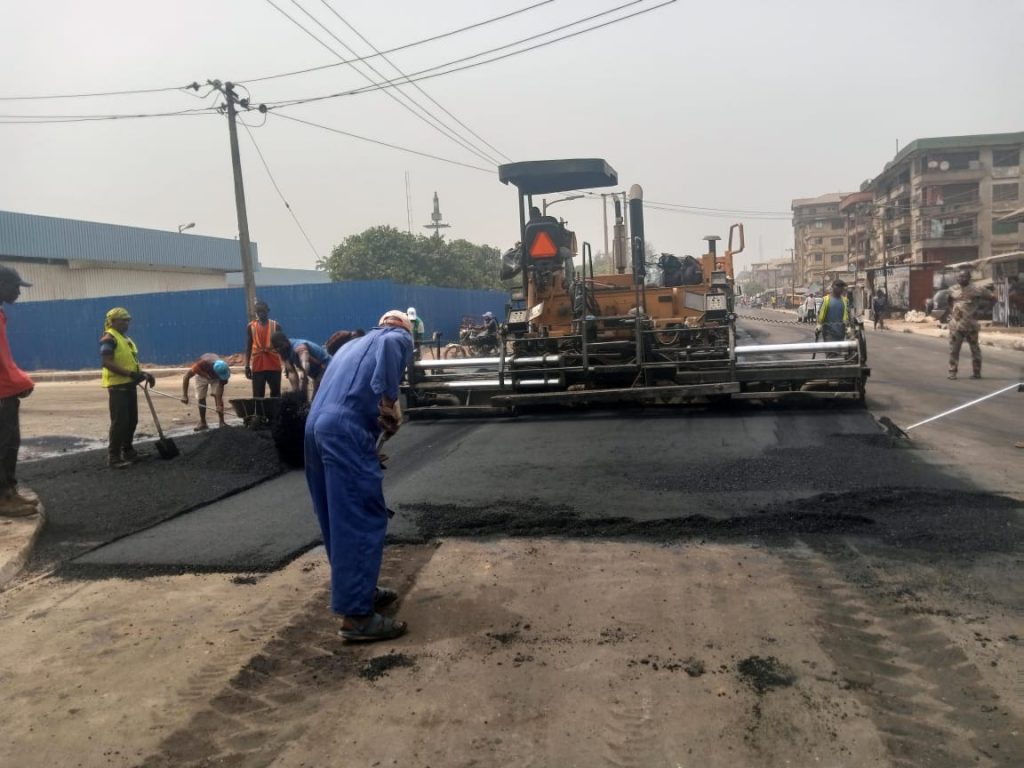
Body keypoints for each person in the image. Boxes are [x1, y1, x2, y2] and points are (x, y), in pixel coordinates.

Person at [304, 309, 414, 642]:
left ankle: (359, 589)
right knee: (361, 516)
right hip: (344, 428)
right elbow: (388, 366)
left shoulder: (353, 344)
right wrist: (389, 405)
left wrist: (370, 438)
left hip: (315, 427)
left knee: (336, 515)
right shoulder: (396, 338)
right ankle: (357, 617)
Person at [0, 266, 39, 517]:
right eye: (16, 286)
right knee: (2, 445)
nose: (19, 292)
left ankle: (9, 491)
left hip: (6, 392)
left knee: (11, 442)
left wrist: (19, 381)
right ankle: (2, 498)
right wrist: (18, 382)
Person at [100, 307, 154, 469]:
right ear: (113, 321)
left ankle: (129, 451)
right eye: (123, 320)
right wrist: (131, 374)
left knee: (131, 421)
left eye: (128, 320)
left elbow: (129, 362)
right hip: (118, 388)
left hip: (129, 386)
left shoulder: (124, 339)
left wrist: (143, 374)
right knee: (119, 423)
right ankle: (114, 457)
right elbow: (106, 362)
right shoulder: (109, 338)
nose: (127, 323)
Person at [947, 269, 996, 380]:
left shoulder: (977, 289)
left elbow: (993, 298)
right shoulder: (952, 289)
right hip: (956, 326)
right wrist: (952, 313)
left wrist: (984, 312)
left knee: (975, 350)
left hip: (971, 326)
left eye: (964, 276)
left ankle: (977, 373)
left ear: (969, 278)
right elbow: (949, 301)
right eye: (959, 277)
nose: (961, 278)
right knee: (954, 350)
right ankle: (952, 372)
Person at [271, 331, 332, 399]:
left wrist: (304, 377)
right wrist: (295, 392)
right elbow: (291, 372)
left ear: (286, 341)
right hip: (317, 373)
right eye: (276, 348)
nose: (279, 349)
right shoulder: (284, 352)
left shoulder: (299, 346)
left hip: (328, 367)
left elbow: (304, 362)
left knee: (316, 398)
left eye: (280, 346)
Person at [244, 300, 284, 399]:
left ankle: (274, 414)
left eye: (263, 311)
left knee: (275, 395)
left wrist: (287, 365)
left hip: (273, 365)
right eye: (258, 312)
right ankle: (259, 414)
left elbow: (283, 346)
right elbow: (248, 347)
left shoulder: (276, 326)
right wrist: (246, 366)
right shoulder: (251, 326)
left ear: (267, 311)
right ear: (256, 313)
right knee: (258, 395)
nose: (261, 314)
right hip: (258, 366)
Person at [181, 354, 231, 431]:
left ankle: (222, 422)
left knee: (217, 397)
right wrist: (184, 395)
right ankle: (203, 423)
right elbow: (186, 376)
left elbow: (220, 387)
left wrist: (218, 405)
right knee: (201, 398)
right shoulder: (201, 365)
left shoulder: (223, 369)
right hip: (201, 375)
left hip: (215, 378)